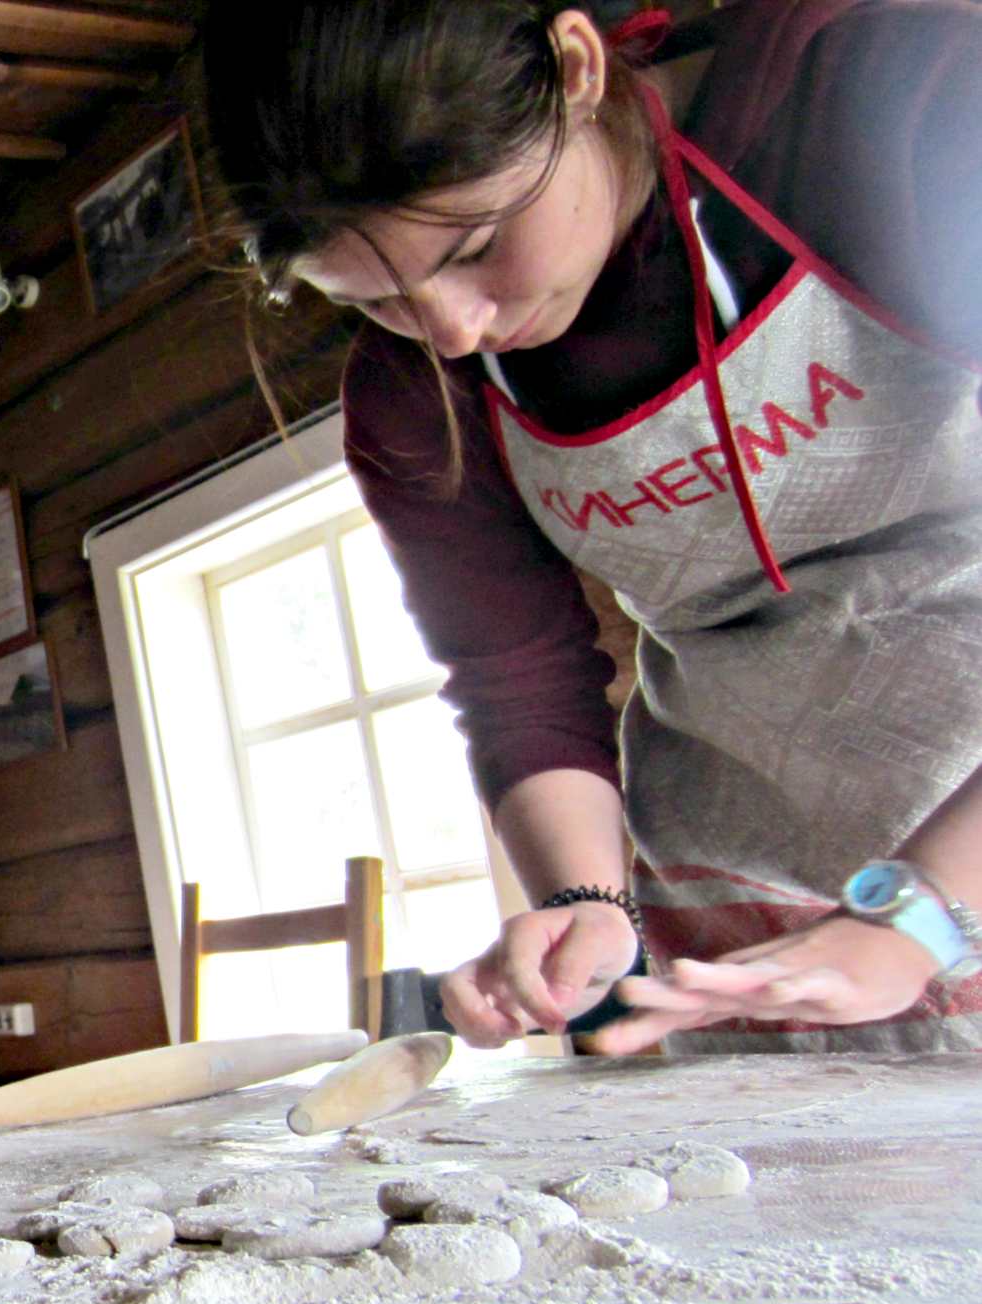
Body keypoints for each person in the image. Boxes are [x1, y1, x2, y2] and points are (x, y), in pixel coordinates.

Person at [200, 0, 982, 1054]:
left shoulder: (902, 96)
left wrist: (919, 912)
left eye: (474, 245)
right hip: (734, 896)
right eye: (372, 299)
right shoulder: (410, 395)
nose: (451, 327)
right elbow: (515, 673)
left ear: (574, 66)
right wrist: (584, 903)